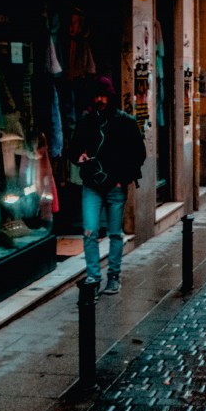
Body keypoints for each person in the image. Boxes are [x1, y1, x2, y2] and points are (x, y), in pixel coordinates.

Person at [70, 75, 146, 296]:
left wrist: (124, 178)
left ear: (110, 97)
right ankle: (94, 275)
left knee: (115, 233)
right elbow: (73, 149)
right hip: (91, 185)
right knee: (90, 230)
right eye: (96, 96)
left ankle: (114, 275)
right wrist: (79, 157)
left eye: (103, 96)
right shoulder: (86, 122)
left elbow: (138, 154)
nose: (100, 100)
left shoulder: (126, 122)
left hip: (115, 186)